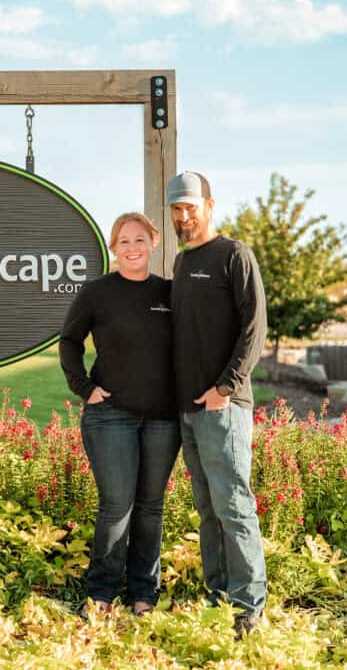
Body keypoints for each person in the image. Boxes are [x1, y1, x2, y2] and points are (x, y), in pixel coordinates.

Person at [59, 212, 181, 618]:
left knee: (151, 507)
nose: (132, 248)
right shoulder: (97, 293)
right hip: (111, 416)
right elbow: (70, 341)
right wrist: (84, 387)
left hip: (163, 420)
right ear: (114, 248)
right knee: (117, 506)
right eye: (124, 241)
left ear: (154, 244)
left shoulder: (170, 293)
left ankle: (144, 594)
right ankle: (103, 594)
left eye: (140, 240)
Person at [168, 171, 268, 637]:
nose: (183, 216)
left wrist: (224, 388)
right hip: (188, 411)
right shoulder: (184, 264)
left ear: (209, 205)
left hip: (223, 408)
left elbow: (254, 329)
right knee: (208, 509)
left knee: (234, 507)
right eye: (176, 209)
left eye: (190, 207)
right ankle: (218, 594)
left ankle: (249, 605)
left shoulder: (234, 255)